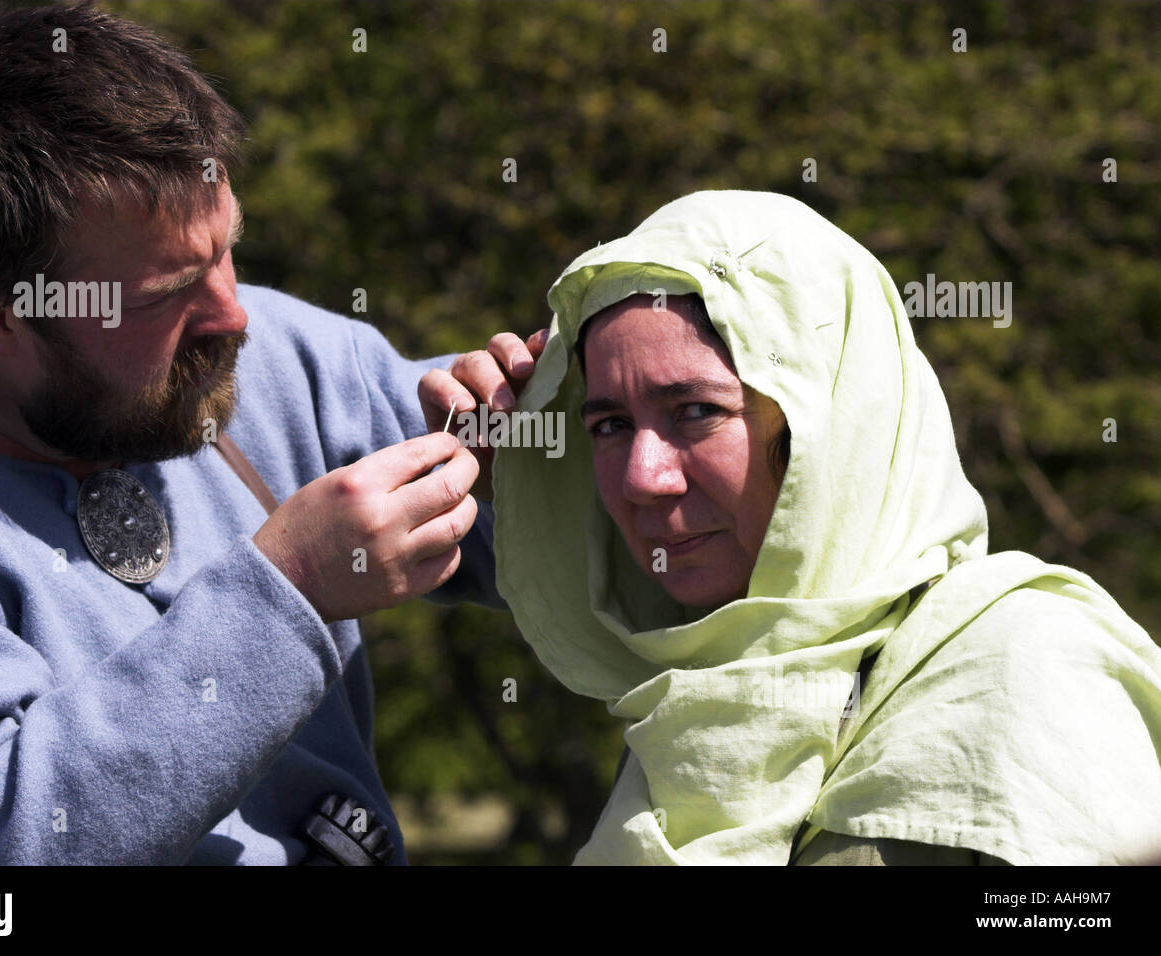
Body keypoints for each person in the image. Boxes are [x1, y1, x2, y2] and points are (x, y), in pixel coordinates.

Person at [0, 1, 526, 865]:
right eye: (162, 293)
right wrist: (289, 590)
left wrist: (553, 446)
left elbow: (606, 554)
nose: (232, 314)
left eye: (227, 249)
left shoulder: (277, 355)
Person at [484, 189, 1161, 865]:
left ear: (833, 419)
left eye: (694, 411)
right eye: (610, 425)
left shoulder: (1027, 674)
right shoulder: (680, 719)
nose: (641, 477)